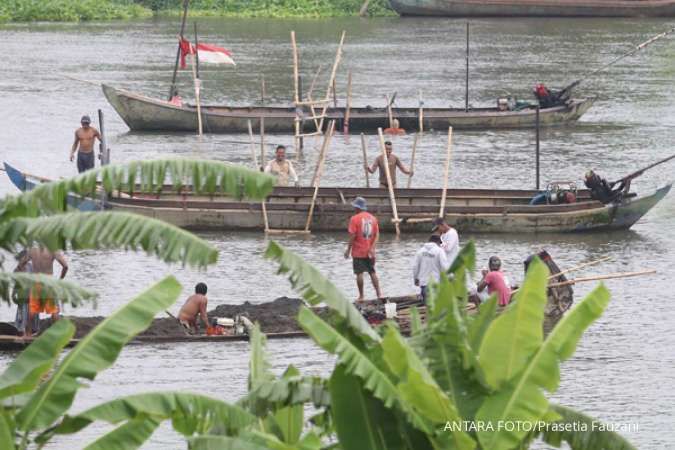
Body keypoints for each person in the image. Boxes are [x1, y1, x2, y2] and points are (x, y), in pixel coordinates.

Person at [344, 197, 382, 301]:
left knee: (359, 273)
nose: (354, 209)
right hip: (369, 252)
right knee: (372, 272)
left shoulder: (354, 219)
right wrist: (372, 248)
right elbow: (377, 235)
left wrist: (348, 250)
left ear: (357, 208)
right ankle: (379, 294)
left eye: (355, 207)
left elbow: (352, 236)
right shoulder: (373, 218)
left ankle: (361, 296)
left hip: (358, 252)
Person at [27, 246, 68, 336]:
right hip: (47, 281)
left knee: (32, 309)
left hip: (35, 281)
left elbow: (21, 264)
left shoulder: (33, 250)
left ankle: (28, 334)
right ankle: (59, 334)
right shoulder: (53, 250)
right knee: (53, 310)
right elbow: (65, 266)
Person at [413, 235, 450, 303]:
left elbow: (415, 267)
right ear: (438, 242)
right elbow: (445, 267)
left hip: (424, 284)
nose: (440, 245)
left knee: (428, 307)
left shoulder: (420, 251)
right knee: (437, 307)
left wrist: (415, 279)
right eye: (440, 243)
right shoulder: (439, 251)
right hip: (436, 284)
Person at [13, 250, 39, 337]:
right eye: (27, 256)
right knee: (22, 315)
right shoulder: (17, 270)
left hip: (31, 295)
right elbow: (16, 284)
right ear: (22, 258)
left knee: (31, 315)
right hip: (22, 296)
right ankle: (23, 332)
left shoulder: (31, 267)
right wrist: (13, 294)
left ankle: (29, 333)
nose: (29, 258)